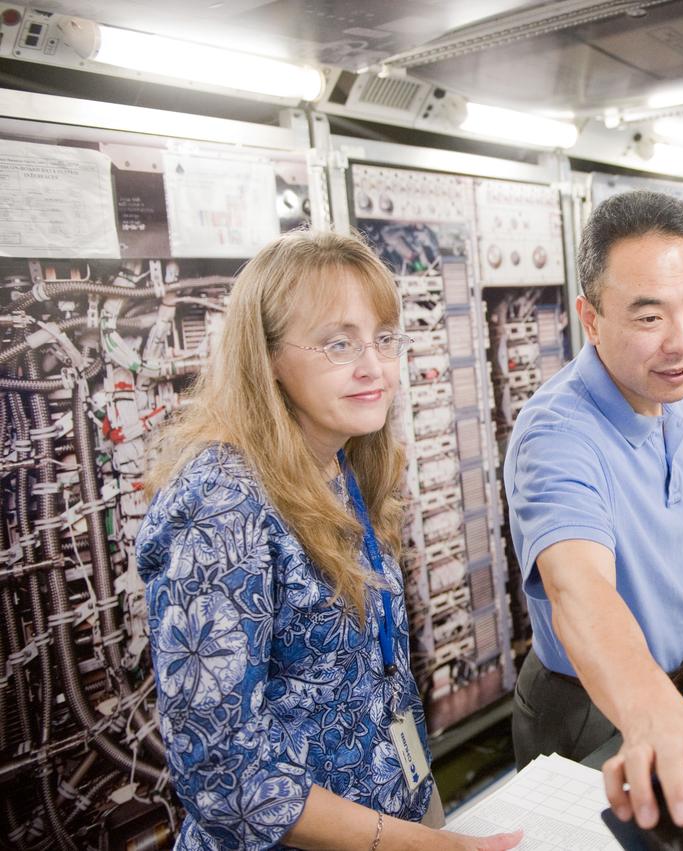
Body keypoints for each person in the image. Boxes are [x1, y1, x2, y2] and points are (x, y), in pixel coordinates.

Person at [137, 231, 520, 851]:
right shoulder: (221, 505)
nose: (373, 366)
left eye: (383, 339)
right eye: (339, 344)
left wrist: (419, 817)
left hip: (393, 809)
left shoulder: (339, 464)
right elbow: (224, 777)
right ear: (267, 359)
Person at [503, 190, 683, 832]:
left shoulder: (678, 391)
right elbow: (577, 587)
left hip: (679, 686)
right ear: (591, 317)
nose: (682, 344)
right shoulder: (557, 437)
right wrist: (652, 711)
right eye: (648, 317)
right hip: (592, 709)